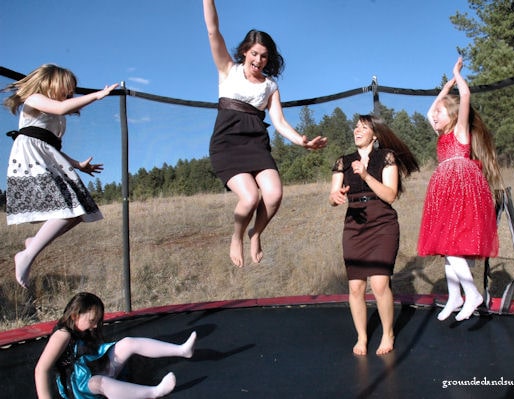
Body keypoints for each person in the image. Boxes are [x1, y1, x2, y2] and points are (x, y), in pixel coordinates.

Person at [202, 0, 327, 267]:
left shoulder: (270, 85)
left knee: (274, 194)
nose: (259, 60)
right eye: (255, 54)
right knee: (249, 197)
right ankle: (236, 237)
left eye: (264, 56)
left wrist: (302, 141)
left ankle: (255, 233)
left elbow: (279, 122)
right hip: (226, 143)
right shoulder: (228, 70)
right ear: (245, 52)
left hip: (256, 144)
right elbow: (214, 32)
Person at [2, 64, 119, 289]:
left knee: (78, 211)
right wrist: (97, 95)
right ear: (52, 83)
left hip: (46, 156)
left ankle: (33, 243)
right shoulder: (33, 98)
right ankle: (26, 255)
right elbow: (62, 108)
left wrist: (78, 165)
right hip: (30, 158)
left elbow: (51, 146)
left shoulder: (57, 117)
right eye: (67, 89)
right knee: (69, 207)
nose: (70, 94)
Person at [417, 56, 502, 321]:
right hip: (444, 191)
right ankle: (455, 296)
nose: (435, 116)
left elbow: (465, 95)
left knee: (452, 246)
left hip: (462, 188)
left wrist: (457, 76)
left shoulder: (460, 131)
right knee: (446, 247)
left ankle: (472, 294)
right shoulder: (441, 136)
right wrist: (443, 90)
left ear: (452, 115)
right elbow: (428, 112)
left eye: (441, 113)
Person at [329, 114, 419, 355]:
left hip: (382, 223)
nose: (357, 130)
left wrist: (366, 175)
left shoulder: (385, 157)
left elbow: (390, 195)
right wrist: (336, 198)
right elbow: (332, 195)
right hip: (354, 225)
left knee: (379, 284)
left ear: (375, 134)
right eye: (355, 126)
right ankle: (362, 337)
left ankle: (388, 334)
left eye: (363, 127)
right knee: (356, 287)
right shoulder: (343, 161)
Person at [35, 292, 197, 399]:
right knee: (99, 382)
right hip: (78, 388)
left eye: (98, 321)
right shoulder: (62, 335)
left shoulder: (81, 328)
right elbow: (41, 369)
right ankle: (154, 392)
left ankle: (182, 350)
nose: (96, 326)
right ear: (75, 316)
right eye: (92, 321)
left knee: (128, 343)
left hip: (93, 368)